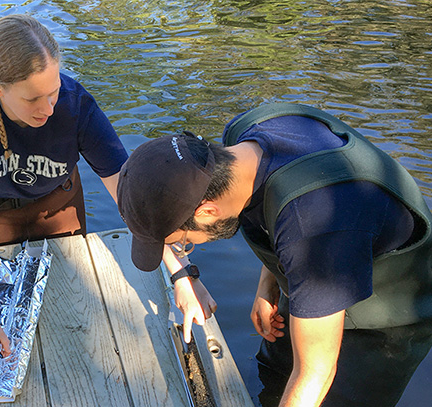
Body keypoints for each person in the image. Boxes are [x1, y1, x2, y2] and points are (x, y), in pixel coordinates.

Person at [116, 102, 432, 407]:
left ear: (207, 210)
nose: (188, 247)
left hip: (385, 314)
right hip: (320, 262)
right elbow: (280, 213)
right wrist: (269, 282)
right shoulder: (242, 142)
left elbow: (315, 372)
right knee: (275, 374)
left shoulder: (313, 223)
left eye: (185, 242)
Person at [0, 14, 128, 371]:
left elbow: (129, 193)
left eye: (54, 91)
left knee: (67, 311)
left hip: (57, 207)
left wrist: (180, 271)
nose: (49, 109)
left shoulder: (76, 105)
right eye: (34, 98)